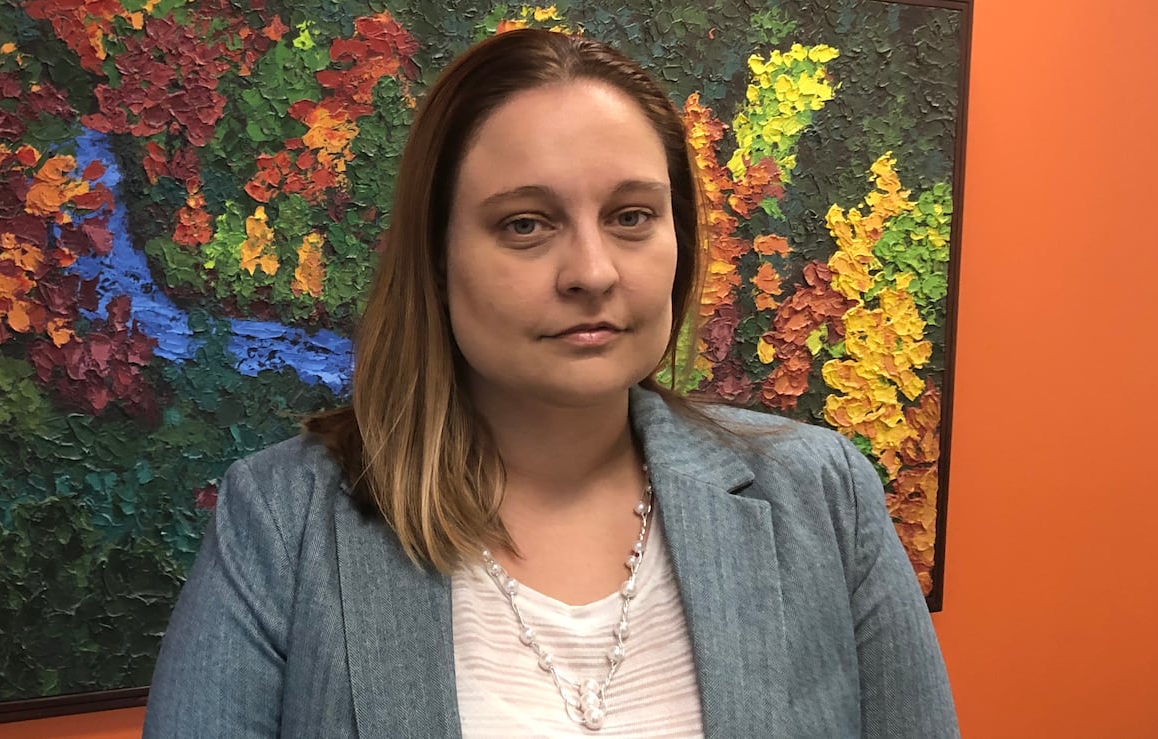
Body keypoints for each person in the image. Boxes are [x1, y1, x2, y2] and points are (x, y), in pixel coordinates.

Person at [143, 29, 958, 738]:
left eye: (632, 216)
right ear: (436, 255)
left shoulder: (821, 495)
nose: (593, 273)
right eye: (525, 224)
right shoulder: (282, 524)